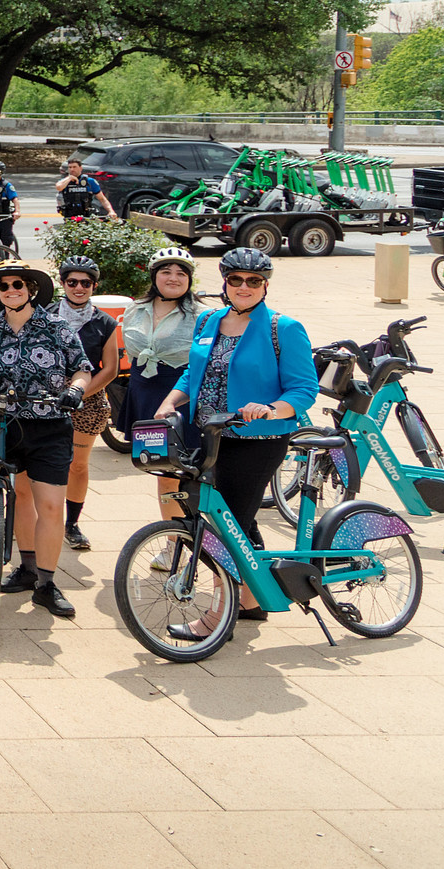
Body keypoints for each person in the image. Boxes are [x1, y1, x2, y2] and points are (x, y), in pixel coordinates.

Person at [150, 247, 315, 639]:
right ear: (225, 283)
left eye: (253, 281)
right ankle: (253, 600)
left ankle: (217, 615)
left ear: (265, 286)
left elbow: (304, 389)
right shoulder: (209, 319)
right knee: (231, 521)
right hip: (209, 436)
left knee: (228, 528)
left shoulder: (283, 327)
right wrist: (169, 403)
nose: (244, 287)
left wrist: (271, 408)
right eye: (236, 279)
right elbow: (194, 372)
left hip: (257, 440)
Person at [0, 261, 93, 618]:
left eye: (18, 284)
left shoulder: (57, 326)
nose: (11, 290)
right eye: (4, 286)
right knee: (20, 497)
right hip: (5, 423)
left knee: (51, 505)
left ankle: (47, 583)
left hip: (50, 425)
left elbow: (82, 368)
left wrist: (75, 390)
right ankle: (26, 569)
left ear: (31, 289)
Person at [122, 248, 204, 526]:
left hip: (183, 398)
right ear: (154, 275)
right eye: (166, 272)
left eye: (181, 273)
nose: (174, 278)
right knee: (164, 473)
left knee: (191, 474)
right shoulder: (134, 309)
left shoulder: (203, 316)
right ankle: (172, 540)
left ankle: (196, 538)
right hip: (146, 395)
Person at [53, 256, 123, 553]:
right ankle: (36, 518)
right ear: (63, 283)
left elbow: (110, 368)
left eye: (85, 283)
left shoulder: (104, 322)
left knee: (77, 466)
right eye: (72, 282)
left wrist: (79, 393)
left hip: (88, 400)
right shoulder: (44, 315)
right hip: (46, 398)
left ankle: (71, 524)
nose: (78, 288)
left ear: (94, 285)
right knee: (36, 464)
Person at [54, 156, 118, 221]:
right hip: (70, 216)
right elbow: (59, 187)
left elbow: (102, 199)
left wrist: (111, 211)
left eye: (74, 167)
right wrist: (69, 178)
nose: (72, 169)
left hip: (87, 216)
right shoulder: (65, 181)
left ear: (80, 168)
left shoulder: (90, 181)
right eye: (70, 167)